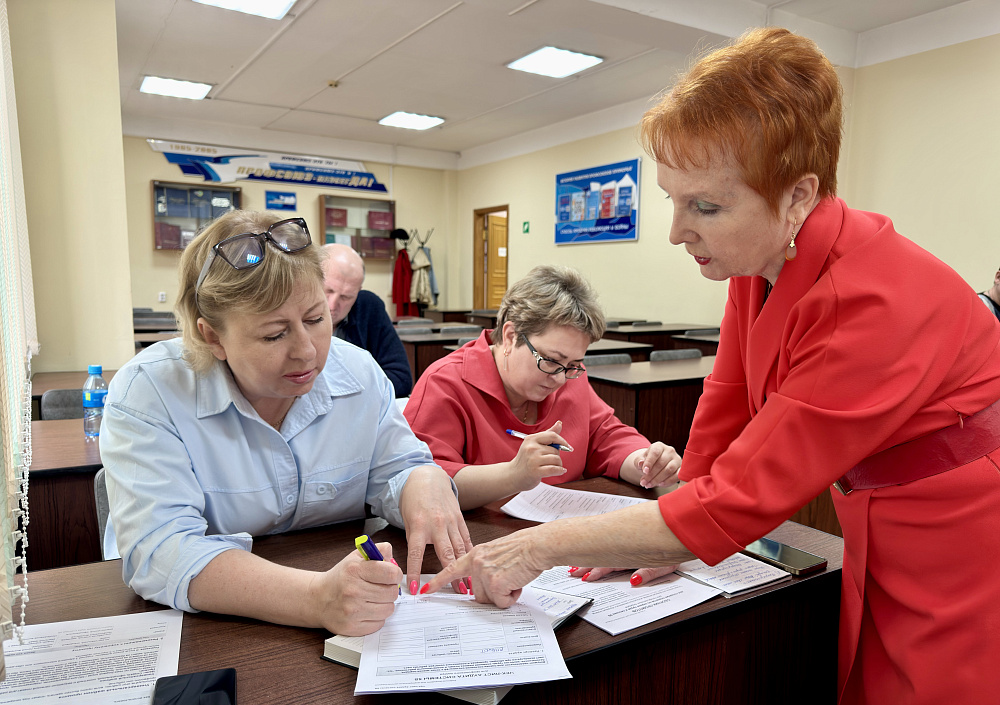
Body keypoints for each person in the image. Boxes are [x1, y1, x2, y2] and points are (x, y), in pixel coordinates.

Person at [425, 28, 1000, 705]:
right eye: (673, 200)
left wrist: (541, 548)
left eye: (705, 207)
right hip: (878, 513)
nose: (676, 231)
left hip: (959, 534)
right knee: (863, 700)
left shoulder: (872, 297)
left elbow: (737, 503)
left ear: (797, 198)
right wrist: (659, 532)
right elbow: (718, 426)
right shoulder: (763, 263)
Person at [100, 211, 471, 635]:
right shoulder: (151, 391)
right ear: (213, 337)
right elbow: (160, 550)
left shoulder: (359, 373)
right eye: (275, 334)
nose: (307, 353)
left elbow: (399, 467)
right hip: (214, 634)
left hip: (348, 611)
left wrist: (422, 480)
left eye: (315, 320)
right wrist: (316, 599)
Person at [404, 265, 682, 506]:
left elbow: (607, 437)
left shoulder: (571, 374)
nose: (561, 378)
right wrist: (513, 475)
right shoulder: (446, 383)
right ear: (511, 336)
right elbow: (422, 484)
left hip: (556, 533)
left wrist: (646, 463)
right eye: (550, 360)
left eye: (573, 364)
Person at [321, 243, 413, 396]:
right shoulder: (289, 306)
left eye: (346, 297)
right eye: (328, 291)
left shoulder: (369, 307)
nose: (332, 305)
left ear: (358, 292)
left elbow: (401, 379)